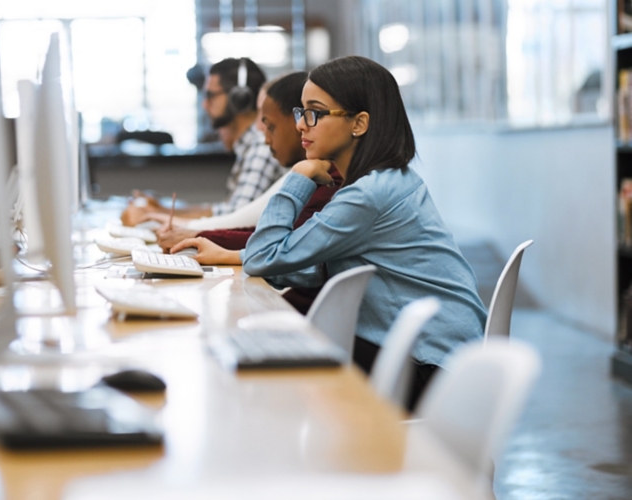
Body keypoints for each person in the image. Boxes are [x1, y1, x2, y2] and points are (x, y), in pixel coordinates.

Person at [172, 56, 487, 410]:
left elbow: (265, 257)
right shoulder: (384, 181)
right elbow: (318, 263)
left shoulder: (367, 195)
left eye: (315, 113)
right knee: (268, 354)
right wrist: (236, 256)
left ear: (359, 123)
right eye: (301, 112)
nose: (301, 126)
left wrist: (299, 177)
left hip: (430, 366)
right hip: (442, 354)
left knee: (270, 375)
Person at [156, 71, 342, 261]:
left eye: (312, 114)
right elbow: (269, 236)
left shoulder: (330, 179)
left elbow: (279, 247)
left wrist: (200, 238)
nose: (259, 128)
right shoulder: (320, 172)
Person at [121, 57, 284, 225]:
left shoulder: (261, 147)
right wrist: (162, 210)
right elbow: (226, 210)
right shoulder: (249, 146)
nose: (204, 105)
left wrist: (155, 215)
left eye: (210, 95)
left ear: (238, 99)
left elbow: (235, 219)